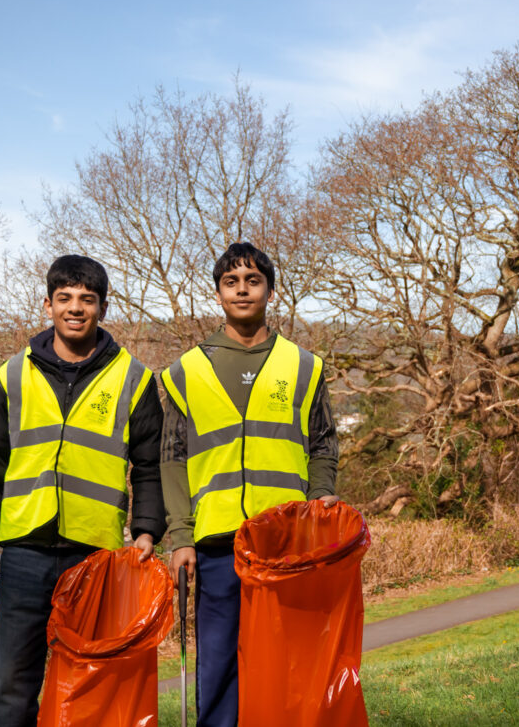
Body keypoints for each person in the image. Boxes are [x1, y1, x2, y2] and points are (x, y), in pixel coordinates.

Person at [0, 255, 165, 727]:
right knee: (14, 683)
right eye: (65, 298)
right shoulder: (13, 375)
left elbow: (150, 466)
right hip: (23, 551)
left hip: (94, 553)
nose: (75, 308)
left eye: (87, 299)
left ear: (103, 308)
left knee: (89, 682)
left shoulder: (134, 378)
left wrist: (147, 530)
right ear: (48, 305)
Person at [160, 242, 339, 727]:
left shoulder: (304, 366)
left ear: (270, 292)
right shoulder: (184, 372)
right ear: (218, 294)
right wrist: (180, 537)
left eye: (253, 280)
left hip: (287, 541)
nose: (242, 290)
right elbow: (172, 460)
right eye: (231, 282)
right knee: (218, 665)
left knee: (286, 659)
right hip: (215, 543)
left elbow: (323, 443)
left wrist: (320, 500)